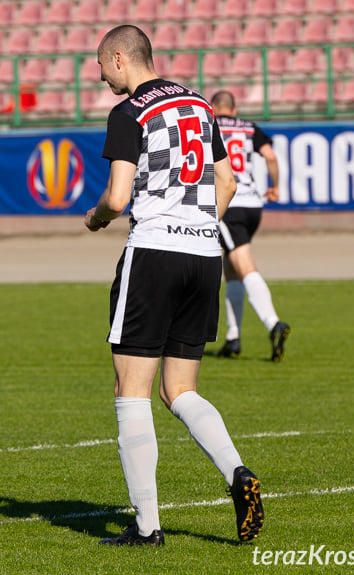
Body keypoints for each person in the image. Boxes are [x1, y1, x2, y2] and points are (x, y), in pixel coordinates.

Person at [84, 25, 264, 547]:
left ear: (120, 58)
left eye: (101, 65)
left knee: (131, 392)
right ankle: (237, 474)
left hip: (155, 254)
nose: (101, 76)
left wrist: (95, 220)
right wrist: (203, 227)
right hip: (205, 256)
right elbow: (225, 182)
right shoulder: (200, 105)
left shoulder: (128, 113)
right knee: (180, 390)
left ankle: (147, 527)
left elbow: (118, 199)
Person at [211, 90, 291, 362]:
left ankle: (273, 323)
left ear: (213, 107)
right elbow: (269, 156)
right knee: (231, 267)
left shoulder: (207, 124)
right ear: (233, 109)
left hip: (227, 202)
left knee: (244, 265)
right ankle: (233, 338)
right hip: (253, 203)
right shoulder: (248, 127)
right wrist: (276, 187)